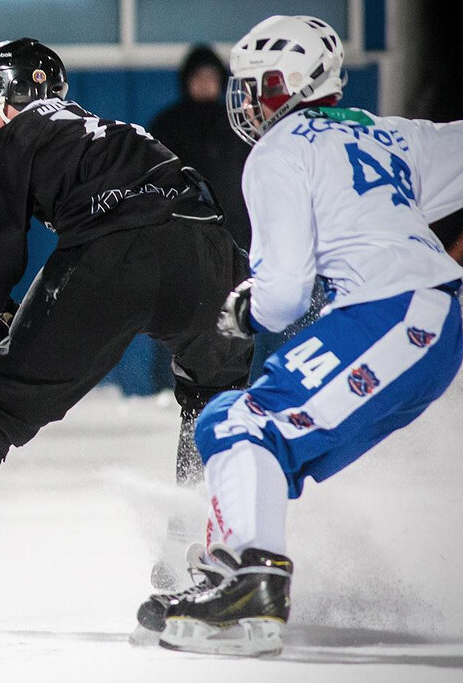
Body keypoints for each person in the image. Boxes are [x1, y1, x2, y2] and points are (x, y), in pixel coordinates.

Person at [0, 38, 254, 621]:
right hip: (206, 248)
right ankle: (198, 553)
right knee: (215, 398)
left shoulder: (9, 140)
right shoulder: (107, 128)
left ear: (19, 93)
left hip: (115, 252)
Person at [136, 15, 463, 657]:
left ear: (300, 83)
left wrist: (245, 310)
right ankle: (237, 569)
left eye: (262, 85)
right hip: (427, 320)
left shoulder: (279, 150)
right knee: (258, 428)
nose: (250, 100)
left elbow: (283, 296)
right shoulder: (388, 133)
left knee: (236, 421)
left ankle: (252, 587)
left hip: (388, 314)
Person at [149, 45, 251, 250]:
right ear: (187, 80)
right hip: (184, 234)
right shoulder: (167, 125)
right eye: (199, 76)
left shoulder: (237, 123)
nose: (205, 83)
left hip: (236, 232)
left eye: (210, 77)